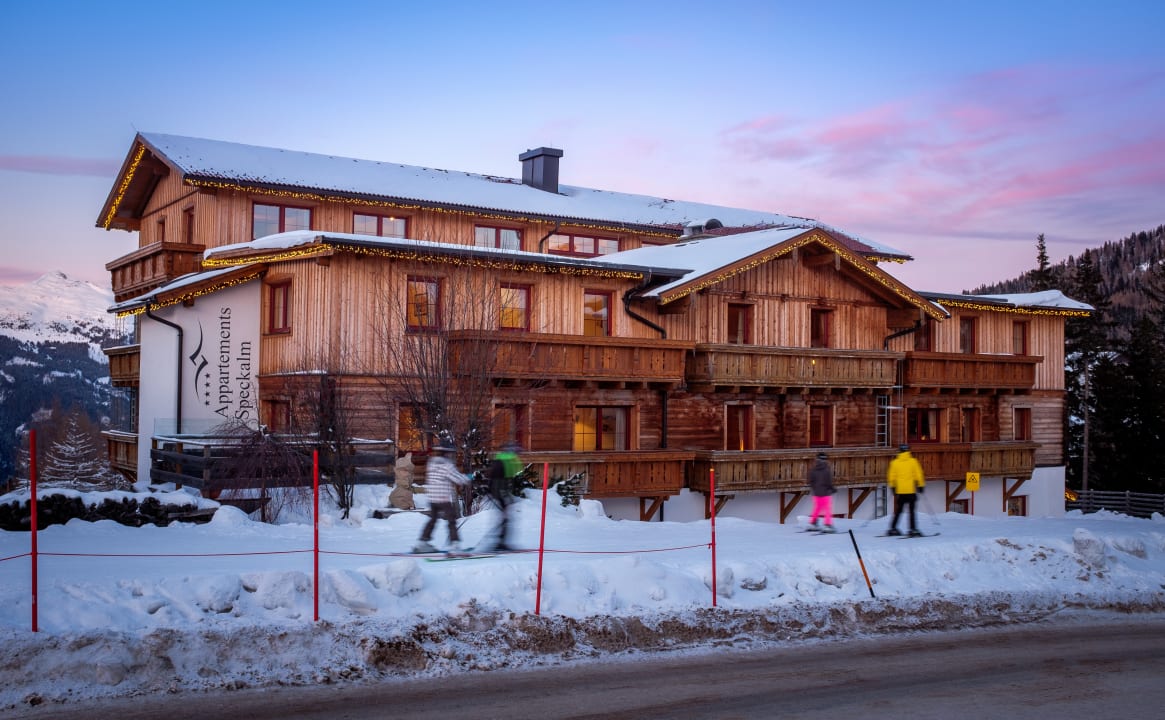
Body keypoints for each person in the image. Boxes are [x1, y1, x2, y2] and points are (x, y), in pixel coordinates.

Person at [412, 445, 470, 553]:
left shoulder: (431, 463)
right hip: (443, 498)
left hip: (432, 498)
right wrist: (470, 477)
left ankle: (422, 543)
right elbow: (458, 479)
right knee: (451, 521)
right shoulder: (447, 465)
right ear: (446, 453)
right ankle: (455, 545)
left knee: (432, 520)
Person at [478, 443, 523, 551]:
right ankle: (500, 543)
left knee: (503, 517)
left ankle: (499, 541)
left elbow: (493, 475)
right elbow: (512, 475)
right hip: (500, 491)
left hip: (497, 491)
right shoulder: (510, 460)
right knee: (505, 518)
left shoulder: (500, 458)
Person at [886, 443, 926, 536]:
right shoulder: (913, 461)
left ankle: (893, 528)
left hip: (900, 491)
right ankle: (912, 529)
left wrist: (893, 487)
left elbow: (891, 476)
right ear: (908, 451)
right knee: (911, 511)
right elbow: (918, 474)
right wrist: (921, 486)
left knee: (899, 510)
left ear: (899, 451)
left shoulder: (894, 462)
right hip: (910, 490)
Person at [807, 452, 836, 532]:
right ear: (825, 460)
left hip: (816, 492)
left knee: (817, 508)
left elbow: (811, 481)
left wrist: (814, 488)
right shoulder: (826, 470)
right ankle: (827, 525)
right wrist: (832, 489)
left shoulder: (813, 470)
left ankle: (813, 523)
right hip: (825, 493)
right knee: (827, 509)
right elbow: (828, 482)